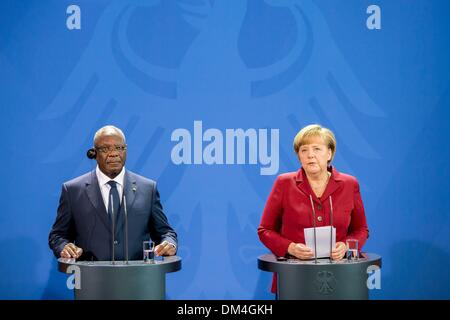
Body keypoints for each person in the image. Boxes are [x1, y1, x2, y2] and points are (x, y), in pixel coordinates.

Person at [257, 124, 369, 293]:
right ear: (299, 156)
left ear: (329, 153)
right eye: (304, 150)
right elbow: (265, 230)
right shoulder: (284, 183)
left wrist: (345, 246)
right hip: (294, 278)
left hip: (341, 277)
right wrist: (290, 247)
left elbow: (361, 230)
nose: (310, 155)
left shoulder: (349, 184)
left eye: (317, 149)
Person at [49, 125, 177, 261]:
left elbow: (165, 232)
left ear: (126, 150)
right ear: (94, 153)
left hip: (139, 277)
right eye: (105, 149)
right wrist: (64, 246)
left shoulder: (147, 188)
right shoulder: (73, 190)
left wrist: (169, 243)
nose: (114, 153)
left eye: (119, 148)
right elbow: (58, 236)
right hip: (91, 277)